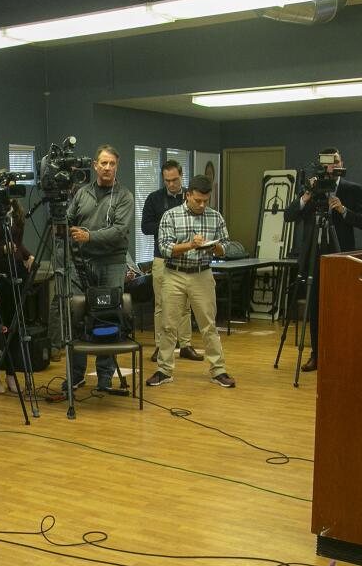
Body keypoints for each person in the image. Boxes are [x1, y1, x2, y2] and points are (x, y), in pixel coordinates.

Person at [283, 149, 362, 372]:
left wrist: (343, 210)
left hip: (342, 256)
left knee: (343, 307)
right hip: (315, 256)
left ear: (342, 163)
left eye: (336, 162)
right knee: (315, 306)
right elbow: (289, 215)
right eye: (327, 163)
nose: (331, 167)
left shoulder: (352, 189)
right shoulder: (311, 188)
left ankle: (342, 353)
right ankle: (316, 354)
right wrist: (306, 196)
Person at [146, 175, 235, 388]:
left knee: (208, 325)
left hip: (202, 274)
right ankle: (164, 370)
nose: (202, 205)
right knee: (168, 325)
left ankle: (218, 370)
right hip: (174, 274)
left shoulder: (215, 217)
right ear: (188, 195)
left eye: (206, 201)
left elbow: (227, 247)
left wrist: (214, 247)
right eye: (198, 200)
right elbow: (165, 248)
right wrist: (190, 245)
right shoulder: (170, 216)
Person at [64, 144, 134, 392]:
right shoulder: (82, 193)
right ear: (95, 166)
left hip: (111, 263)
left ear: (116, 166)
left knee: (107, 316)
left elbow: (118, 231)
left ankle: (105, 376)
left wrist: (89, 236)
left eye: (112, 164)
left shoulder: (124, 195)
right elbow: (68, 220)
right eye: (103, 163)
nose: (107, 168)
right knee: (76, 316)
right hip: (80, 263)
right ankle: (75, 374)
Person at [140, 160, 201, 363]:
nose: (171, 184)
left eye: (175, 180)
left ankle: (185, 345)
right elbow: (146, 227)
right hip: (162, 258)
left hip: (186, 258)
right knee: (161, 304)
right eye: (167, 181)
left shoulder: (190, 198)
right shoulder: (154, 198)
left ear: (181, 176)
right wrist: (169, 224)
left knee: (185, 305)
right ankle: (160, 346)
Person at [0, 194, 34, 393]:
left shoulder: (17, 214)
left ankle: (12, 373)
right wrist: (2, 249)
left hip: (15, 273)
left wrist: (27, 255)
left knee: (14, 327)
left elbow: (17, 243)